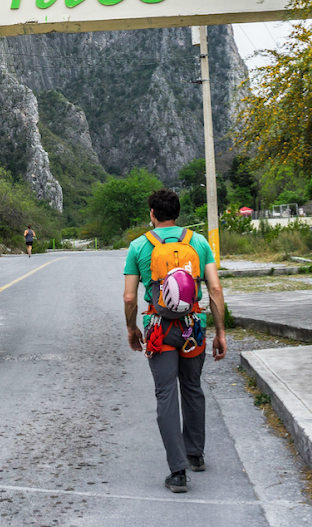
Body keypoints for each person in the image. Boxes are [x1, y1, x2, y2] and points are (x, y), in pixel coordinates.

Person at [122, 187, 226, 494]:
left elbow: (129, 296)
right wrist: (219, 332)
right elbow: (216, 289)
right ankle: (196, 455)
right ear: (177, 213)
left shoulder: (139, 246)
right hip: (194, 327)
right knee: (192, 388)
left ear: (152, 214)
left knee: (166, 394)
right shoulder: (199, 242)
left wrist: (132, 328)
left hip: (159, 329)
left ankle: (178, 472)